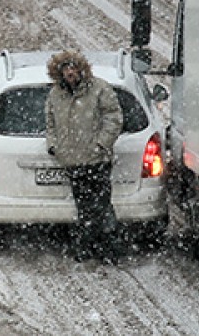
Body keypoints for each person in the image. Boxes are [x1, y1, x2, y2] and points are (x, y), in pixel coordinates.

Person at [45, 51, 124, 264]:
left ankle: (109, 250)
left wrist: (100, 145)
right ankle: (86, 249)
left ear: (81, 69)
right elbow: (50, 122)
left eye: (73, 68)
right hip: (72, 161)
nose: (70, 73)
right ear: (59, 72)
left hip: (97, 161)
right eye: (65, 69)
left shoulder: (100, 89)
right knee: (83, 207)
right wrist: (53, 146)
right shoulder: (55, 95)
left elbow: (113, 119)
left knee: (102, 206)